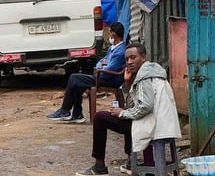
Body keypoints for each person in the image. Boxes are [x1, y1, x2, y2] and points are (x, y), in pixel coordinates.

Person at [76, 43, 182, 176]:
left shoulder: (144, 77)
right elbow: (134, 104)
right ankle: (131, 162)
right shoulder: (154, 72)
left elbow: (145, 106)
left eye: (133, 57)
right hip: (162, 125)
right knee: (127, 116)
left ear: (143, 57)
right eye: (127, 59)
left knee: (100, 118)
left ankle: (99, 166)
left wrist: (122, 113)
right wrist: (127, 84)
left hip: (152, 125)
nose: (129, 62)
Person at [47, 22, 126, 124]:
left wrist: (100, 69)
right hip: (103, 75)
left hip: (109, 79)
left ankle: (65, 110)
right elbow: (101, 61)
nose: (109, 35)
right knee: (76, 84)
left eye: (110, 32)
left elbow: (109, 69)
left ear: (114, 34)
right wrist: (100, 66)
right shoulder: (113, 48)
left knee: (74, 78)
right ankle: (77, 114)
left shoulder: (120, 51)